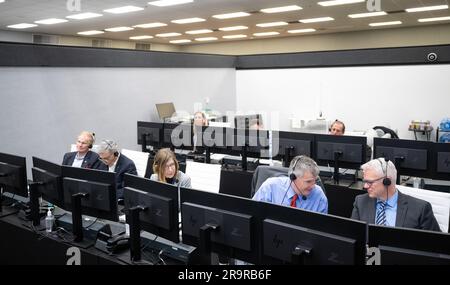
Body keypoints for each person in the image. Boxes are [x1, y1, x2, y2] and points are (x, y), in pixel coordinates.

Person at [351, 158, 441, 232]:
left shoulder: (420, 209)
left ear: (387, 181)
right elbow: (353, 235)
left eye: (369, 182)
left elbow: (437, 245)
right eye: (365, 181)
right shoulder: (360, 202)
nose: (365, 186)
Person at [252, 155, 328, 214]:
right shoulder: (270, 187)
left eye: (314, 181)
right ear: (293, 177)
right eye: (308, 182)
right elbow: (253, 214)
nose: (313, 186)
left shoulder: (319, 196)